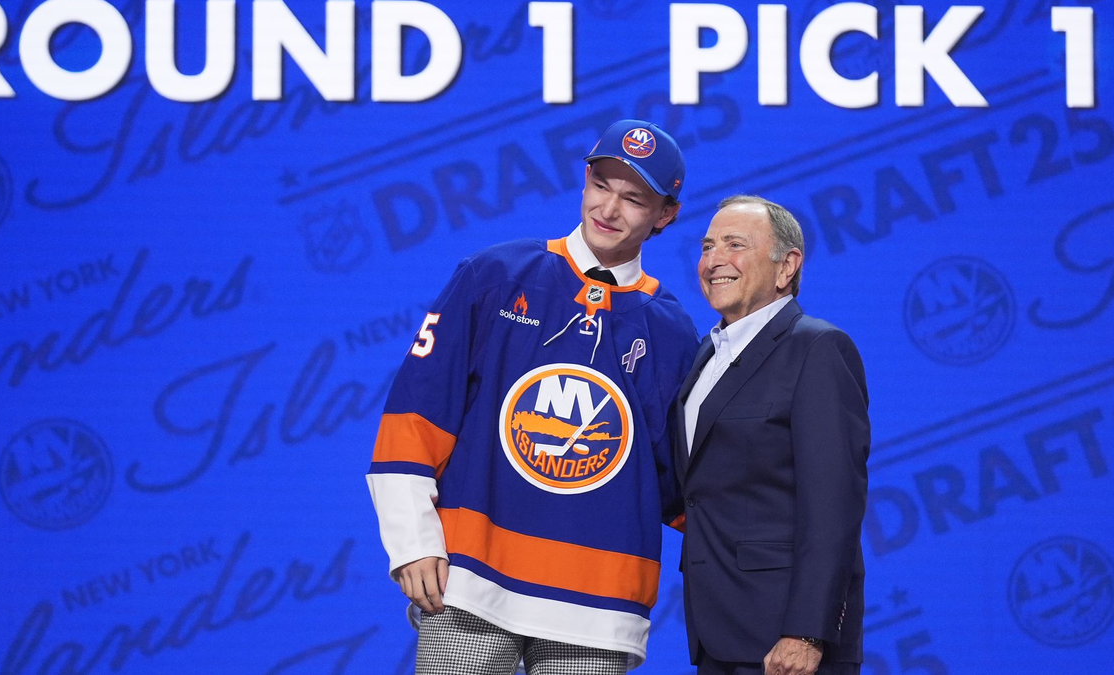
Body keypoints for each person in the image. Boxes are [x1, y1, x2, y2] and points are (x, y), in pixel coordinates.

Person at [367, 120, 700, 675]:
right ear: (585, 180)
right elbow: (415, 416)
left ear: (665, 215)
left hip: (598, 604)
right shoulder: (493, 276)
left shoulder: (672, 333)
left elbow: (682, 484)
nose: (609, 209)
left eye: (634, 198)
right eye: (601, 186)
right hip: (471, 583)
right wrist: (412, 542)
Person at [674, 195, 870, 675]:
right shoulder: (706, 354)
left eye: (735, 245)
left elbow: (833, 508)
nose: (714, 260)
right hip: (716, 633)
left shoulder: (818, 348)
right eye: (707, 246)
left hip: (786, 639)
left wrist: (807, 632)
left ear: (788, 266)